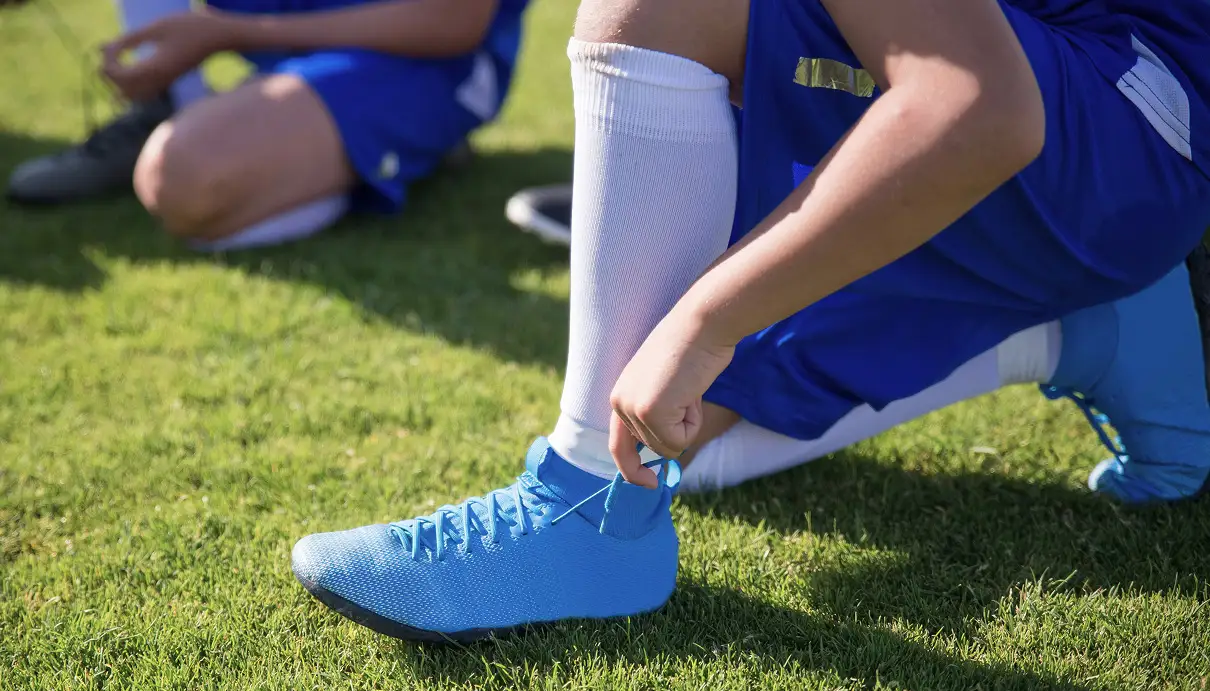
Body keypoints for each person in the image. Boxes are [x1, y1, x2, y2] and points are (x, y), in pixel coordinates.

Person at [291, 0, 1210, 642]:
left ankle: (584, 511)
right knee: (688, 443)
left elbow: (977, 108)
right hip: (1107, 131)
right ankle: (1087, 328)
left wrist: (703, 317)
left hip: (1133, 119)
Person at [6, 0, 528, 251]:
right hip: (300, 50)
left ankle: (395, 157)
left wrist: (228, 33)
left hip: (431, 60)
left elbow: (450, 21)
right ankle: (169, 102)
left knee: (185, 175)